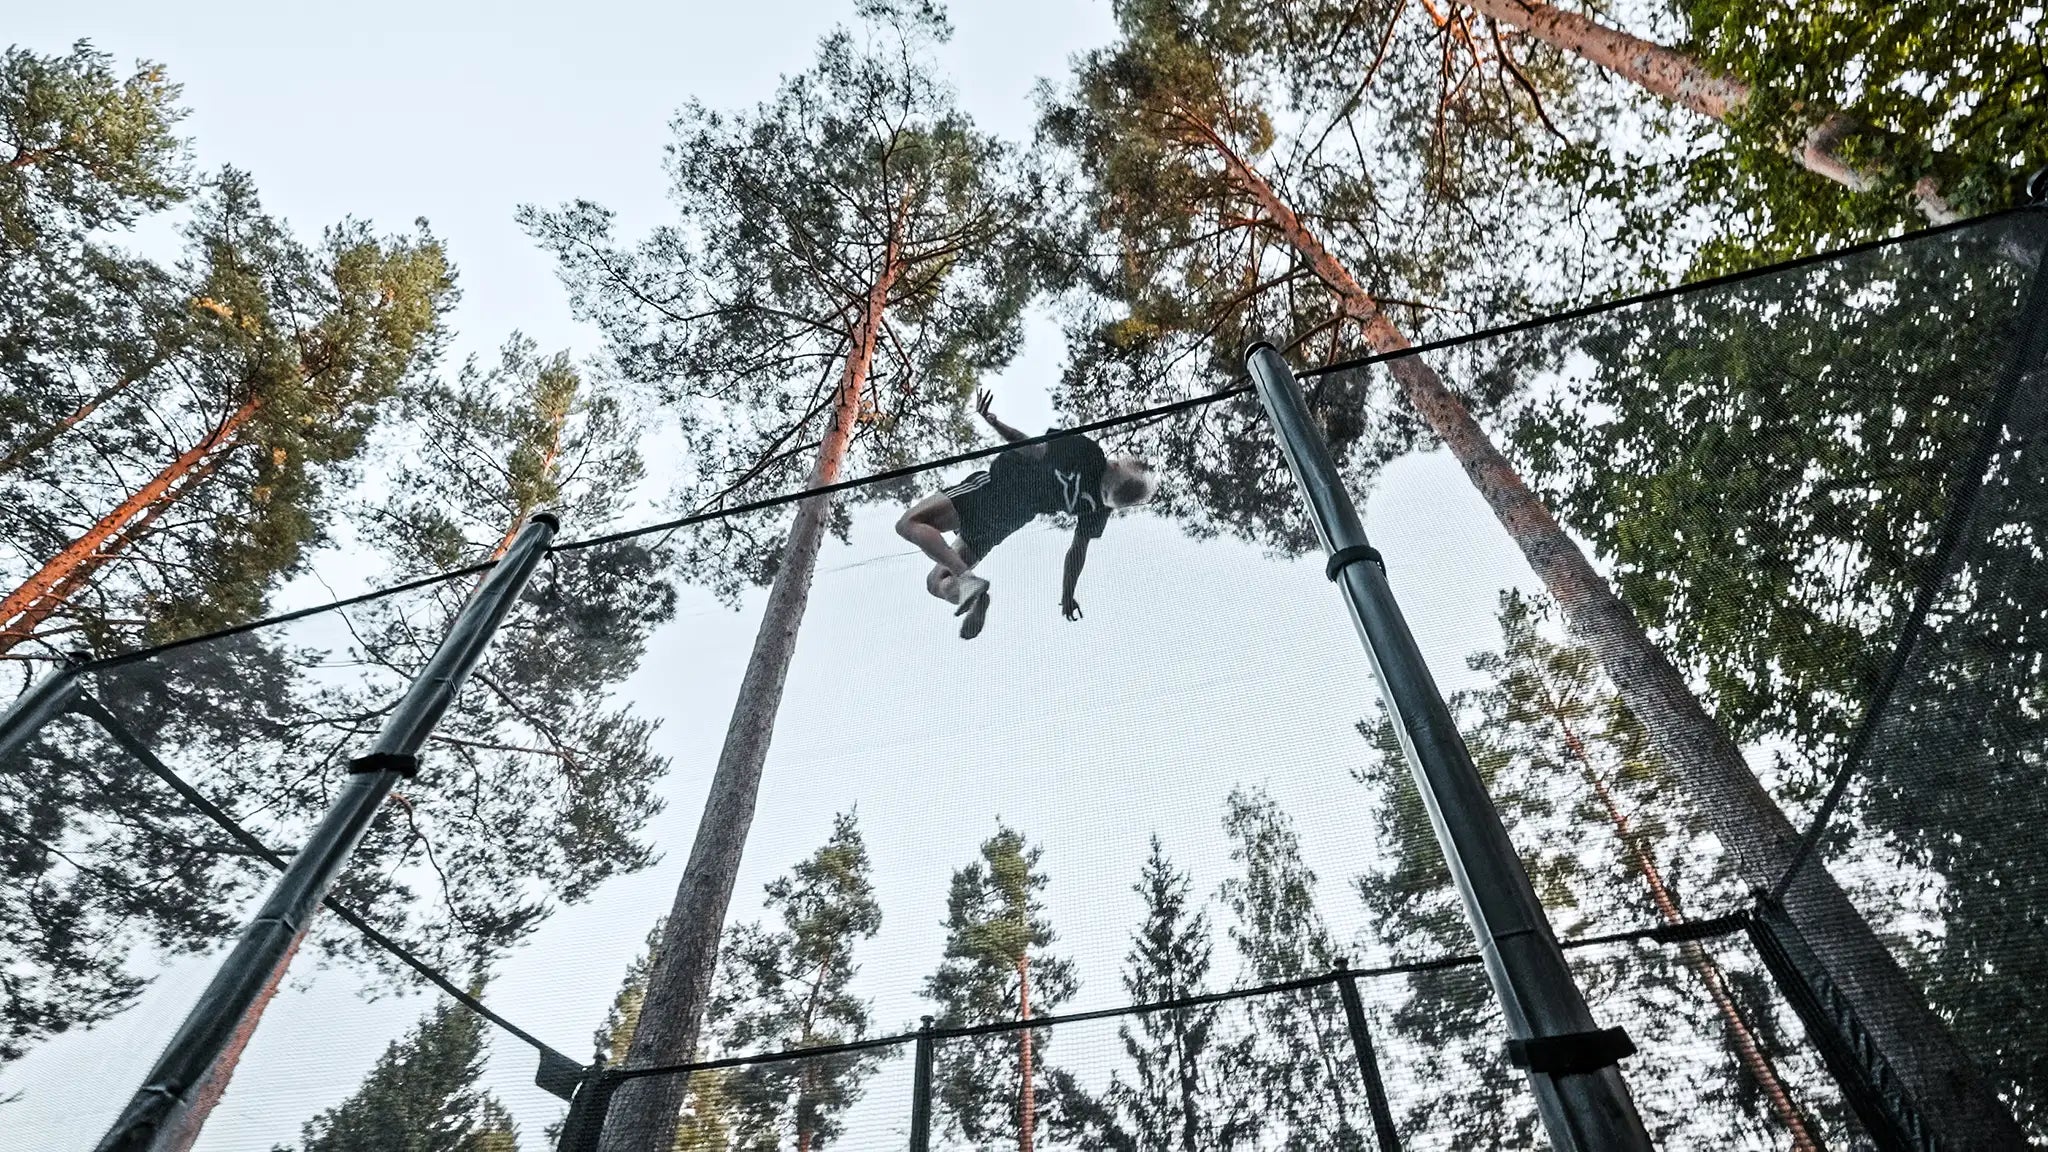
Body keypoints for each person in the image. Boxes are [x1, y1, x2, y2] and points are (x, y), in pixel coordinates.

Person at [897, 390, 1158, 639]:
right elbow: (1077, 550)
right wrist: (1067, 594)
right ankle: (972, 592)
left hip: (995, 489)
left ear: (1115, 465)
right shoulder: (1099, 508)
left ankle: (968, 582)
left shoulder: (1089, 454)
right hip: (1010, 519)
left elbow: (1033, 450)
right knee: (936, 581)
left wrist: (995, 423)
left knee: (909, 523)